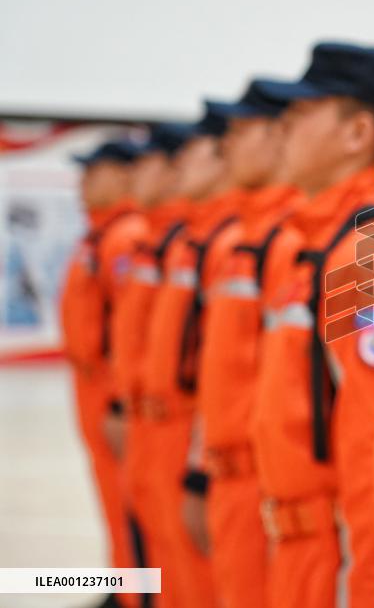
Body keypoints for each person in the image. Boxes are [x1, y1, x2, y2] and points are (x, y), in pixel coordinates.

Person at [250, 42, 374, 608]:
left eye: (303, 113)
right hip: (296, 545)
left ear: (356, 134)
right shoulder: (313, 246)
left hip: (340, 555)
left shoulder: (370, 260)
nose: (283, 127)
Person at [192, 80, 297, 608]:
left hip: (270, 489)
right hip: (224, 472)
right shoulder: (241, 241)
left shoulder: (300, 245)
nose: (225, 144)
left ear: (281, 136)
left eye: (240, 130)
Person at [141, 106, 241, 608]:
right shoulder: (195, 243)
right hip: (165, 425)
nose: (177, 166)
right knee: (166, 564)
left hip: (209, 444)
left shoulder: (237, 245)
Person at [62, 139, 147, 608]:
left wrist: (119, 402)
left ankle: (135, 593)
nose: (83, 184)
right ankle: (123, 586)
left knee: (130, 503)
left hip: (111, 394)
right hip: (91, 386)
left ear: (123, 177)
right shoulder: (101, 234)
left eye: (95, 173)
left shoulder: (125, 238)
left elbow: (130, 330)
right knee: (114, 502)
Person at [112, 123, 192, 605]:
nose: (132, 176)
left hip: (176, 422)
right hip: (138, 407)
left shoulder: (190, 244)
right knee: (142, 533)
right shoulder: (157, 242)